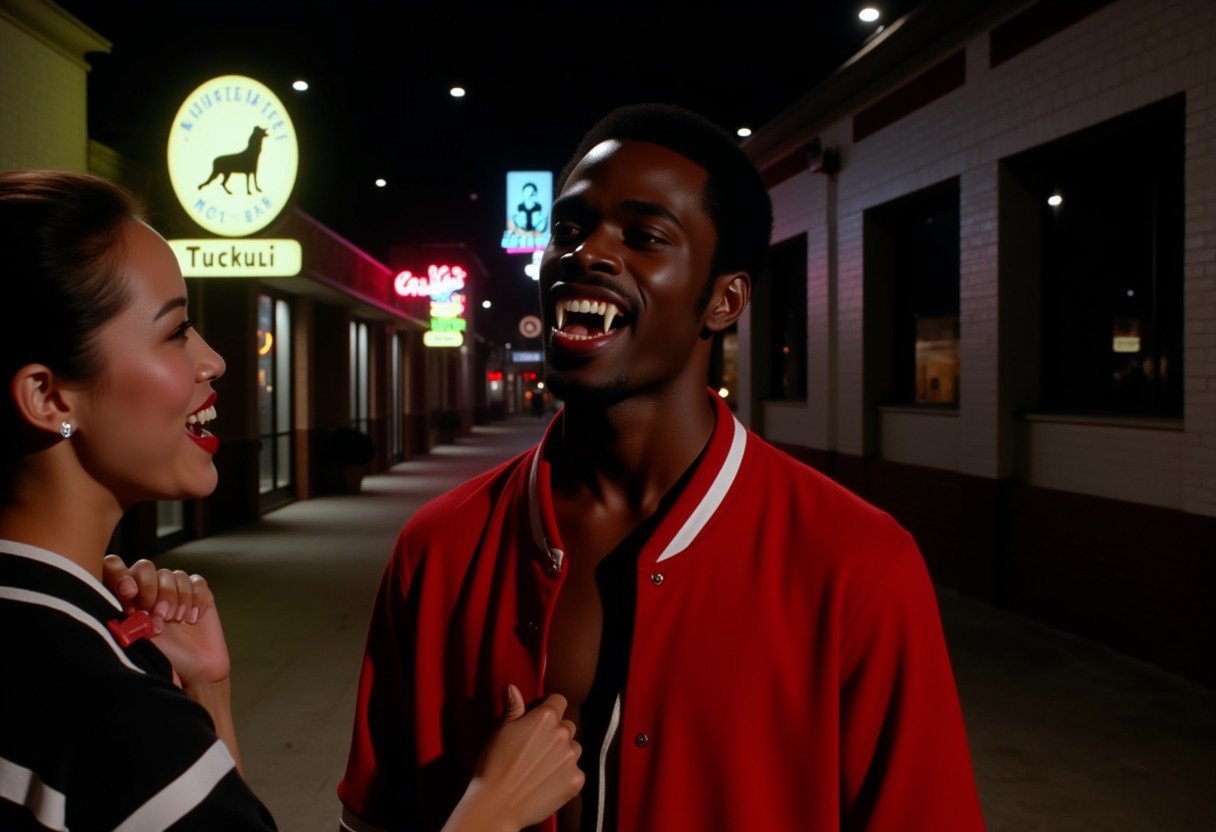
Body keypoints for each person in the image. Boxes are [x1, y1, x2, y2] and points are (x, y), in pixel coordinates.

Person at [339, 104, 985, 831]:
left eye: (644, 236)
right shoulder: (437, 549)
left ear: (724, 299)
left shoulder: (858, 567)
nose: (585, 253)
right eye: (569, 229)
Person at [0, 170, 583, 832]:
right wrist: (490, 811)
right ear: (49, 397)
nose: (214, 359)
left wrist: (209, 698)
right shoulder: (114, 724)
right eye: (174, 332)